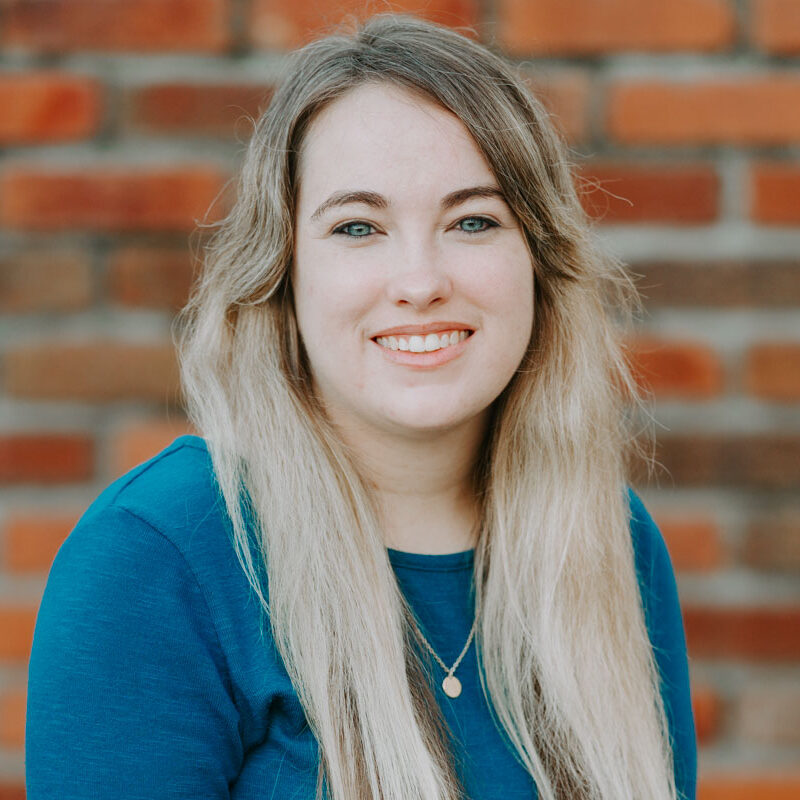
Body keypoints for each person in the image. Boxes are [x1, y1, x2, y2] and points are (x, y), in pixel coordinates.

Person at [26, 14, 696, 800]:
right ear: (283, 273)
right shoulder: (160, 559)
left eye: (473, 221)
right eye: (357, 227)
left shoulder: (611, 543)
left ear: (540, 262)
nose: (419, 280)